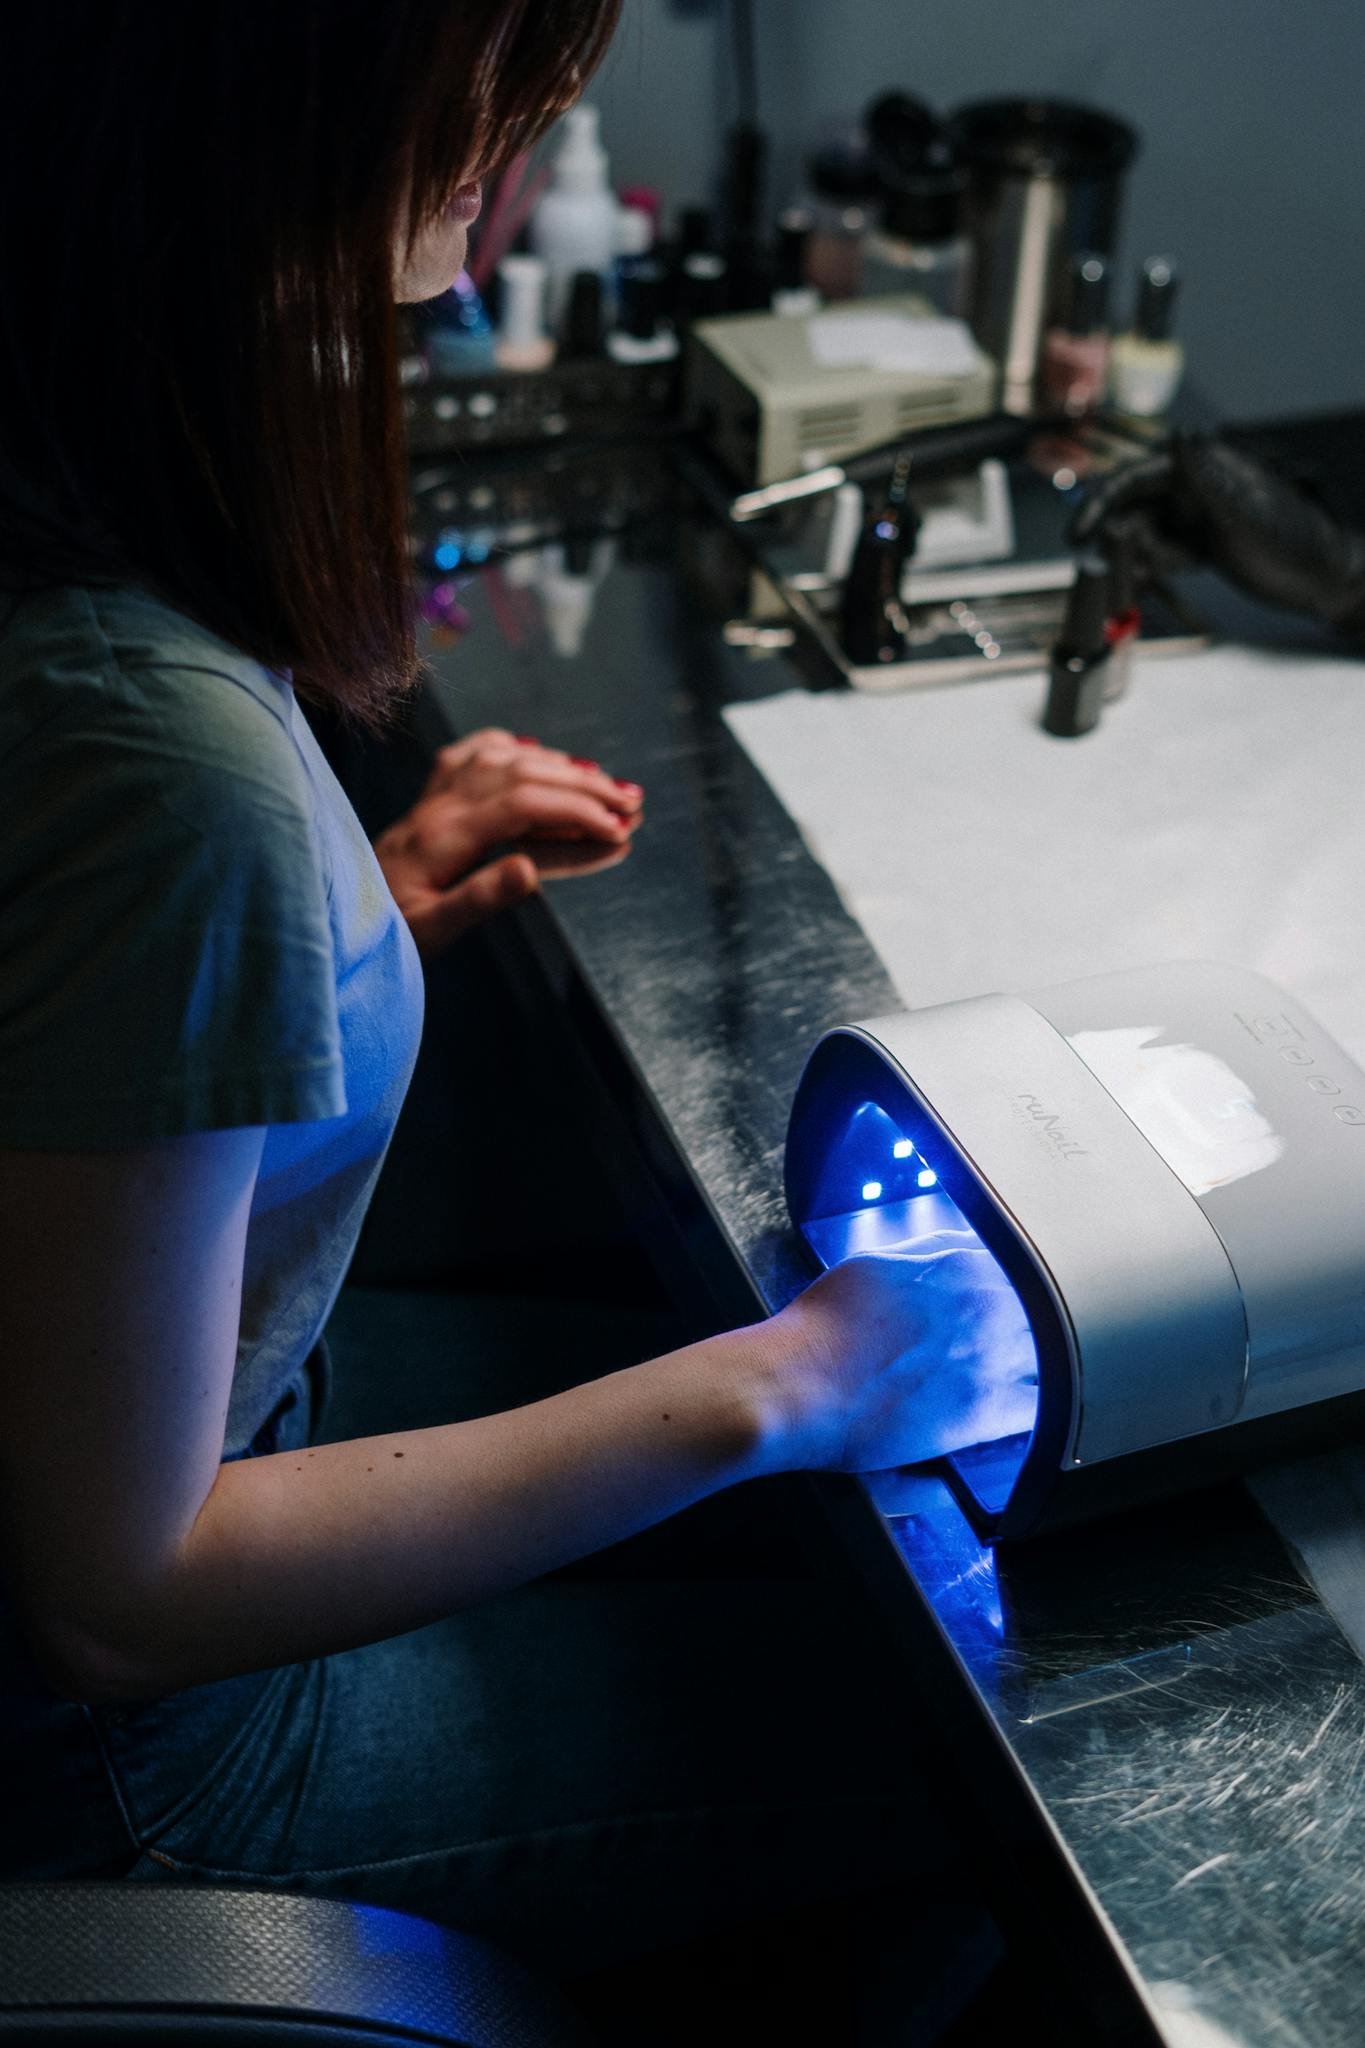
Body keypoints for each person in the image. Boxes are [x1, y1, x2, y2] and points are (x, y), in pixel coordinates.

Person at [0, 0, 1033, 2005]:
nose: (511, 180)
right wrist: (789, 1380)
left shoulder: (74, 517)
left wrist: (344, 912)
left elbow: (67, 1024)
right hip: (133, 1749)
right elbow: (113, 1599)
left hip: (221, 1409)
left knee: (839, 1524)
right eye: (506, 103)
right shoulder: (150, 755)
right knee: (957, 1733)